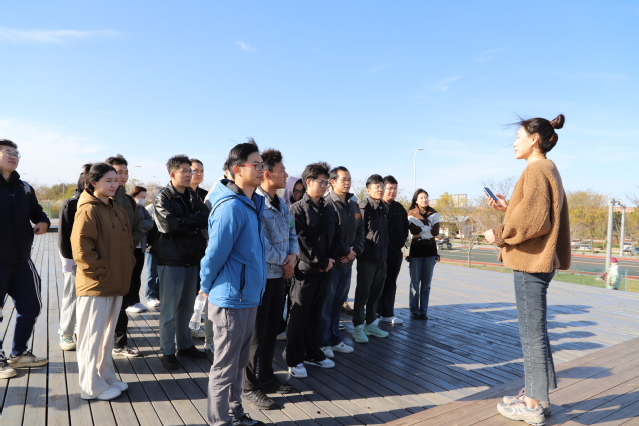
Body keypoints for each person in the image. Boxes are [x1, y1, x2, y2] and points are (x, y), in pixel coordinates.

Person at [484, 114, 571, 425]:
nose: (514, 143)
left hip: (531, 262)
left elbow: (534, 222)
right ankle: (539, 397)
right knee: (537, 333)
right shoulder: (548, 168)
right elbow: (537, 214)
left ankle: (531, 405)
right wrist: (508, 208)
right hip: (540, 262)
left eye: (518, 136)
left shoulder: (535, 169)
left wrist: (497, 233)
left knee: (531, 335)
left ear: (534, 139)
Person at [200, 139, 268, 426]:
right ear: (237, 169)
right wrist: (205, 286)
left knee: (239, 364)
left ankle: (235, 414)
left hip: (248, 295)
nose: (262, 169)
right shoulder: (230, 207)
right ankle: (219, 421)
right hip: (231, 298)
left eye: (263, 165)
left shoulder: (253, 203)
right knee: (225, 367)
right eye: (257, 164)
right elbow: (214, 255)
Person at [71, 162, 136, 400]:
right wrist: (101, 273)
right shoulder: (88, 209)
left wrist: (126, 267)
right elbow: (81, 249)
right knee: (91, 336)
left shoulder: (116, 208)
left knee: (107, 336)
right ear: (93, 183)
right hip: (96, 284)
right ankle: (91, 386)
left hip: (115, 282)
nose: (113, 184)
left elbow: (128, 244)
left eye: (115, 180)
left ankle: (105, 376)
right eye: (108, 180)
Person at [242, 149, 298, 410]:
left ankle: (266, 376)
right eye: (282, 170)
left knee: (271, 331)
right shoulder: (256, 203)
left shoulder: (283, 205)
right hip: (262, 277)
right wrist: (285, 260)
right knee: (255, 334)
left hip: (280, 276)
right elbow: (259, 243)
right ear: (267, 173)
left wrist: (293, 257)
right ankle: (248, 385)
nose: (286, 175)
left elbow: (292, 234)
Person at [285, 162, 348, 378]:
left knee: (316, 315)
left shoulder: (328, 208)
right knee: (299, 316)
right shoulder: (297, 209)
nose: (325, 186)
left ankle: (312, 353)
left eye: (326, 182)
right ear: (308, 182)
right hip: (305, 272)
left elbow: (336, 237)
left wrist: (329, 260)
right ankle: (294, 358)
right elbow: (301, 242)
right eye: (321, 182)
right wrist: (321, 261)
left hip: (325, 269)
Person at [153, 155, 209, 370]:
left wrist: (184, 221)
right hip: (171, 260)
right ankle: (167, 351)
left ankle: (185, 345)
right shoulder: (163, 197)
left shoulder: (193, 196)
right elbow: (169, 226)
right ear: (172, 174)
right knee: (169, 310)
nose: (189, 174)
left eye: (190, 171)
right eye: (185, 171)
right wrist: (191, 221)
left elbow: (205, 217)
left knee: (186, 308)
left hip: (191, 259)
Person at [0, 139, 50, 379]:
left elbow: (36, 210)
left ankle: (19, 353)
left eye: (16, 153)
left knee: (31, 307)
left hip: (22, 261)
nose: (13, 156)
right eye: (7, 152)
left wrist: (42, 221)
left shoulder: (24, 187)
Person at [320, 166, 363, 358]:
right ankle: (323, 342)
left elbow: (361, 231)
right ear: (332, 181)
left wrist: (355, 251)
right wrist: (346, 250)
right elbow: (331, 235)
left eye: (349, 179)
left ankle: (335, 339)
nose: (347, 182)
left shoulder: (353, 205)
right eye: (343, 179)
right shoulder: (328, 204)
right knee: (326, 304)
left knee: (338, 303)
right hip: (333, 262)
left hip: (348, 262)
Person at [105, 154, 145, 358]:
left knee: (122, 302)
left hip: (126, 256)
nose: (122, 176)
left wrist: (127, 244)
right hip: (106, 259)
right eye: (118, 172)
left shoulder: (128, 199)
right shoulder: (101, 198)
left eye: (125, 172)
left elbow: (138, 226)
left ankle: (119, 343)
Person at [352, 174, 390, 344]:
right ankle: (358, 327)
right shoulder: (363, 207)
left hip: (381, 258)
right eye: (376, 187)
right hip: (367, 257)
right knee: (363, 293)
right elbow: (358, 232)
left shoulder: (383, 208)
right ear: (368, 190)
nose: (380, 190)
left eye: (382, 186)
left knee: (376, 293)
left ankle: (371, 324)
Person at [57, 172, 86, 351]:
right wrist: (68, 260)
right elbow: (63, 236)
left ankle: (79, 328)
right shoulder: (71, 203)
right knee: (71, 295)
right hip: (74, 259)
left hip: (93, 259)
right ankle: (66, 333)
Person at [277, 176, 306, 341]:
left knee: (294, 298)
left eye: (301, 191)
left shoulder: (303, 207)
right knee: (280, 297)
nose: (298, 194)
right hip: (282, 260)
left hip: (298, 260)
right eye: (295, 191)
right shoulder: (281, 206)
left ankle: (289, 326)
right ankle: (278, 326)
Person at [189, 158, 214, 350]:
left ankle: (204, 335)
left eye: (201, 171)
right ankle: (187, 332)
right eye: (194, 170)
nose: (198, 174)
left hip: (205, 249)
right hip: (186, 251)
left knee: (204, 292)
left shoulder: (206, 196)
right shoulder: (180, 194)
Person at [377, 175, 409, 325]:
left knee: (391, 282)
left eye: (395, 188)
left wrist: (400, 242)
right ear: (382, 188)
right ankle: (375, 313)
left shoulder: (399, 208)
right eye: (389, 188)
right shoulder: (376, 206)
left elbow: (405, 228)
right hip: (378, 252)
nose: (392, 191)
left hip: (395, 252)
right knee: (378, 282)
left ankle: (388, 313)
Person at [407, 189, 439, 320]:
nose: (424, 199)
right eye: (421, 197)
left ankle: (424, 311)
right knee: (414, 282)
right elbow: (413, 231)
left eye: (426, 197)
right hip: (416, 251)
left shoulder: (434, 214)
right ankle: (414, 310)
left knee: (426, 283)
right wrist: (427, 230)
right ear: (416, 200)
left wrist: (421, 231)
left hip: (431, 251)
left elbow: (435, 232)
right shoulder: (410, 214)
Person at [126, 186, 154, 314]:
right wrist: (140, 226)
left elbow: (150, 222)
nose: (142, 199)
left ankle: (136, 300)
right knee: (130, 275)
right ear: (133, 196)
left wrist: (139, 226)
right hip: (130, 246)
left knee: (137, 275)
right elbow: (129, 225)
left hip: (141, 246)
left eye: (144, 197)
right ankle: (128, 302)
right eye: (140, 197)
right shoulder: (128, 208)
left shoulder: (142, 209)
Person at [144, 201, 161, 308]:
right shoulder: (149, 209)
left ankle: (159, 295)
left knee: (160, 273)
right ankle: (150, 296)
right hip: (151, 246)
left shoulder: (167, 207)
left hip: (163, 246)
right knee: (151, 272)